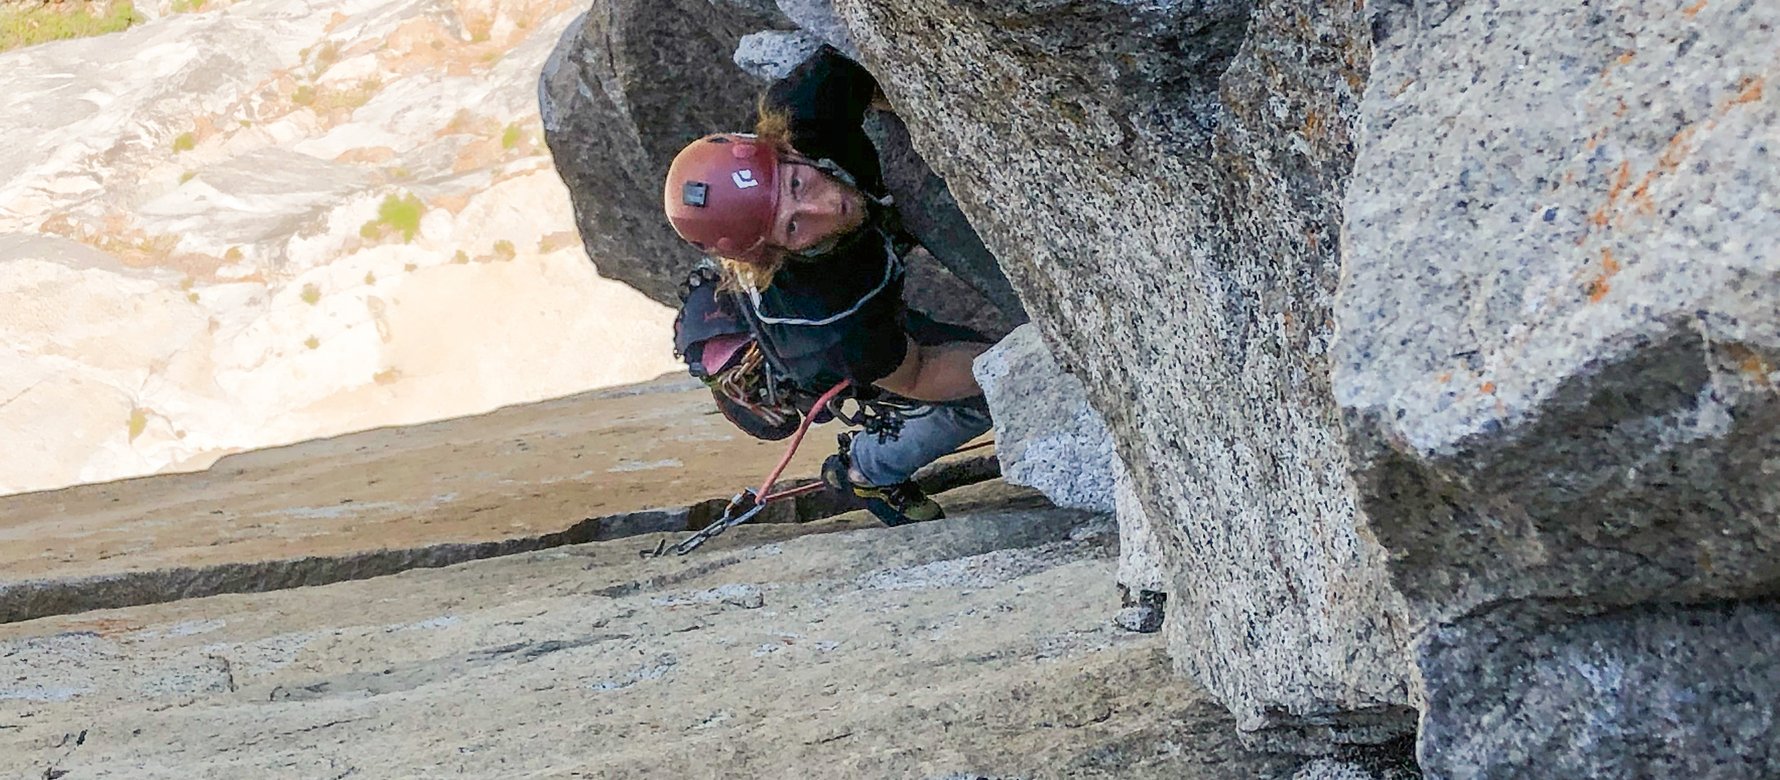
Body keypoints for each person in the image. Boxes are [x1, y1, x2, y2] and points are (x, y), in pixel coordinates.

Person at [661, 46, 994, 526]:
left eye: (797, 186)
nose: (825, 208)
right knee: (984, 396)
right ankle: (870, 468)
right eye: (794, 228)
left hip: (861, 277)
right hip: (849, 331)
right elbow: (919, 373)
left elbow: (874, 51)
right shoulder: (826, 325)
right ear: (775, 253)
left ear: (784, 149)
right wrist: (1031, 366)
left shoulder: (803, 115)